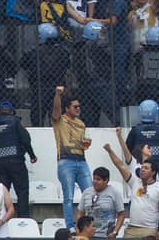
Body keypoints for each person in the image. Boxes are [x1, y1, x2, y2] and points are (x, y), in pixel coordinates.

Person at [0, 100, 36, 217]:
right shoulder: (15, 121)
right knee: (22, 191)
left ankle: (2, 218)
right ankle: (23, 220)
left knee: (2, 193)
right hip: (16, 162)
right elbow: (25, 139)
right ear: (12, 111)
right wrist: (32, 155)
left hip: (0, 163)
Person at [53, 86, 93, 229]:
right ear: (67, 108)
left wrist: (85, 144)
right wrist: (58, 95)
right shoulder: (60, 120)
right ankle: (70, 227)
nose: (78, 109)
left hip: (81, 160)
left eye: (79, 106)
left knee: (90, 195)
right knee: (68, 197)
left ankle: (88, 225)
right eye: (75, 107)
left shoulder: (81, 124)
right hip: (66, 161)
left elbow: (83, 143)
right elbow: (56, 110)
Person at [76, 167, 125, 240]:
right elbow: (80, 213)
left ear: (106, 180)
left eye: (98, 179)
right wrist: (78, 228)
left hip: (106, 236)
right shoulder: (86, 192)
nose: (95, 181)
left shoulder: (114, 192)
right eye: (94, 179)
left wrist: (115, 232)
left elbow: (121, 214)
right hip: (88, 235)